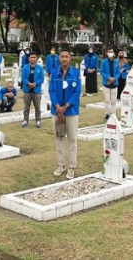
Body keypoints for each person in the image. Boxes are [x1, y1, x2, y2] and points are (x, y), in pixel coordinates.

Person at [49, 48, 82, 179]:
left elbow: (77, 92)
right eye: (62, 56)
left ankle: (72, 166)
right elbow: (51, 90)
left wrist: (66, 106)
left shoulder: (75, 73)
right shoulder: (54, 73)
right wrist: (58, 106)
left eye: (66, 56)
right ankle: (61, 164)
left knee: (73, 139)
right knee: (59, 138)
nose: (64, 59)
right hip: (57, 112)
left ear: (70, 58)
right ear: (59, 58)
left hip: (71, 111)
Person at [21, 52, 45, 128]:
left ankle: (38, 120)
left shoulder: (40, 68)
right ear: (29, 59)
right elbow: (23, 77)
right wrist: (28, 83)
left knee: (37, 107)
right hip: (27, 90)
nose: (33, 59)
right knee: (26, 107)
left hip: (36, 90)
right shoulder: (25, 67)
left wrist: (34, 84)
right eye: (31, 57)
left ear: (36, 58)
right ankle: (25, 120)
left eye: (34, 57)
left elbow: (42, 79)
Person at [100, 49, 120, 121]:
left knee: (114, 100)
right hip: (106, 83)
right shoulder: (104, 62)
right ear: (107, 53)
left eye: (112, 52)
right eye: (109, 52)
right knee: (107, 100)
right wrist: (108, 78)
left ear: (114, 53)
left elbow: (118, 72)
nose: (110, 53)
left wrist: (114, 78)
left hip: (114, 83)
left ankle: (113, 114)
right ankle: (108, 114)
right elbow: (102, 71)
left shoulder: (116, 62)